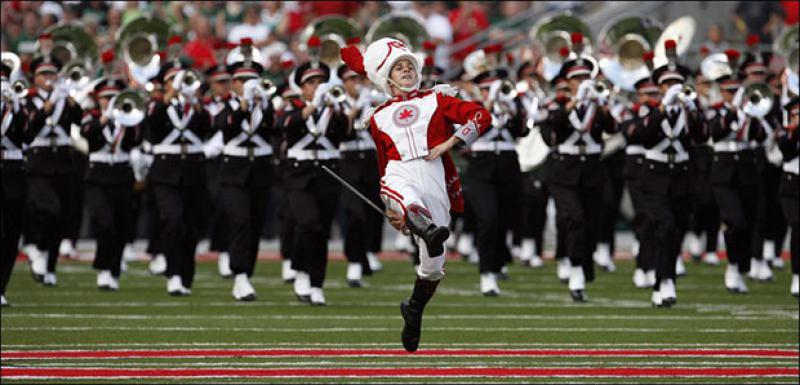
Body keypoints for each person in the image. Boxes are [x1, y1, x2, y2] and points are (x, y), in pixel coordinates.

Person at [341, 37, 491, 352]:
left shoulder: (438, 99)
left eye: (410, 65)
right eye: (399, 67)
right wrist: (394, 211)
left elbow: (482, 117)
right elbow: (384, 168)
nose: (407, 70)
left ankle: (414, 308)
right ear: (386, 77)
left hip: (434, 176)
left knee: (434, 264)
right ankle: (416, 219)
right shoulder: (378, 117)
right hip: (399, 175)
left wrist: (450, 143)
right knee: (406, 195)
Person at [538, 34, 616, 302]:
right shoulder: (558, 104)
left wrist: (601, 105)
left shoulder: (598, 104)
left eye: (586, 79)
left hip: (592, 169)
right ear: (568, 82)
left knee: (592, 222)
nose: (582, 83)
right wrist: (573, 102)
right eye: (577, 79)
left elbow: (612, 129)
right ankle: (575, 270)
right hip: (564, 170)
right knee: (574, 218)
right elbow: (552, 128)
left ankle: (583, 265)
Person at [639, 41, 706, 307]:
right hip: (654, 175)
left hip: (681, 174)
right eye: (667, 85)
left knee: (676, 229)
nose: (672, 89)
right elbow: (644, 137)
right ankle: (664, 281)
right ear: (660, 87)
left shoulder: (690, 110)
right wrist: (662, 107)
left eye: (676, 84)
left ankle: (663, 281)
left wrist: (693, 110)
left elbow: (701, 137)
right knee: (664, 226)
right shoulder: (650, 109)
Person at [277, 55, 347, 306]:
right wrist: (311, 107)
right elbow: (285, 126)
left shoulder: (333, 108)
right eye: (311, 82)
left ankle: (316, 282)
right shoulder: (292, 106)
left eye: (321, 81)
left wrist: (336, 108)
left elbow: (345, 132)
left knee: (321, 231)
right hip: (299, 174)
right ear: (302, 86)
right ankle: (301, 270)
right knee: (308, 223)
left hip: (327, 172)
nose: (317, 86)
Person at [462, 47, 528, 296]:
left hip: (508, 162)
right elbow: (467, 135)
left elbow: (523, 130)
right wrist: (488, 105)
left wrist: (512, 110)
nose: (493, 91)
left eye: (495, 86)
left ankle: (498, 262)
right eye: (487, 86)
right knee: (487, 218)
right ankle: (486, 273)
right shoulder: (471, 104)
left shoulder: (512, 102)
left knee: (505, 219)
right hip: (482, 164)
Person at [145, 50, 212, 296]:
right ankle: (172, 273)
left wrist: (195, 102)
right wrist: (167, 98)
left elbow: (208, 127)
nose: (178, 84)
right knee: (173, 220)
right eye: (172, 79)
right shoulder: (155, 105)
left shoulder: (195, 106)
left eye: (181, 79)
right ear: (164, 84)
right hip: (166, 171)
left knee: (192, 227)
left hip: (193, 170)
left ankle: (185, 275)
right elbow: (151, 127)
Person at [707, 49, 768, 294]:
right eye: (729, 91)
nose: (733, 95)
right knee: (735, 220)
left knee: (749, 221)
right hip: (723, 171)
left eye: (736, 91)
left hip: (746, 168)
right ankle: (733, 266)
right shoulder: (716, 110)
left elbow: (760, 136)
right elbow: (714, 132)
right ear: (722, 92)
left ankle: (741, 265)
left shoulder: (750, 111)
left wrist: (750, 115)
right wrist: (732, 111)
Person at [218, 50, 275, 301]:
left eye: (253, 80)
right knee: (239, 219)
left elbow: (276, 128)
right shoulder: (225, 105)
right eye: (242, 80)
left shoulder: (267, 104)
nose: (248, 85)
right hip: (234, 167)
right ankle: (239, 274)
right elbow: (225, 128)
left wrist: (262, 103)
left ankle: (246, 274)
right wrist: (243, 106)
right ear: (234, 83)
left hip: (260, 167)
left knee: (254, 223)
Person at [23, 51, 83, 286]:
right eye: (44, 74)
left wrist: (69, 100)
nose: (49, 77)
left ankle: (49, 265)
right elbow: (30, 127)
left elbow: (79, 120)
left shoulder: (64, 97)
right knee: (49, 209)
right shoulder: (28, 99)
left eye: (52, 73)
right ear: (35, 77)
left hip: (64, 161)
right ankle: (37, 248)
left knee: (62, 215)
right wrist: (48, 106)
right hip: (39, 161)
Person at [80, 76, 142, 291]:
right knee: (104, 222)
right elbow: (87, 134)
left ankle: (114, 269)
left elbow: (135, 141)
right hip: (98, 175)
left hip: (122, 174)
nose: (109, 101)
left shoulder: (128, 120)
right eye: (105, 97)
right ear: (98, 99)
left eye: (113, 98)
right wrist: (105, 119)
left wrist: (126, 121)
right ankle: (104, 268)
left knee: (121, 225)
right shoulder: (91, 116)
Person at [337, 63, 383, 288]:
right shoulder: (337, 102)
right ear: (343, 83)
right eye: (350, 80)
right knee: (354, 211)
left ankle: (367, 253)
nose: (356, 84)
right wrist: (355, 108)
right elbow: (340, 131)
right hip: (347, 160)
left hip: (370, 159)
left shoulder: (371, 99)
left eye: (358, 79)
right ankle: (354, 261)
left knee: (372, 209)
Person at [1, 63, 28, 306]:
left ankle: (1, 286)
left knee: (11, 232)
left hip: (12, 171)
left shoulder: (17, 108)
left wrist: (15, 106)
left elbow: (27, 136)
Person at [776, 97, 798, 297]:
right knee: (797, 226)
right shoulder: (785, 131)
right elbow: (786, 150)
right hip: (791, 185)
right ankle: (797, 275)